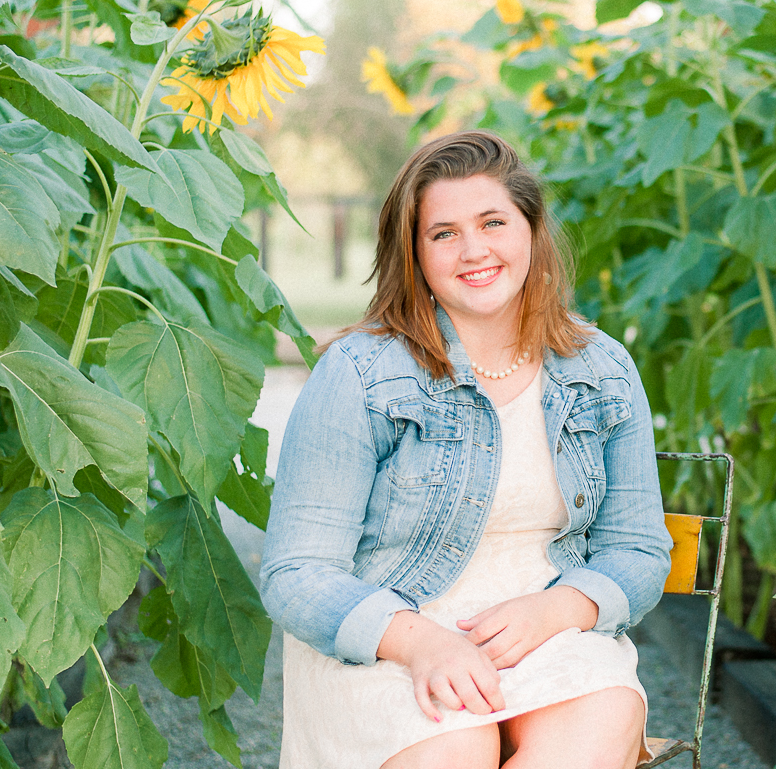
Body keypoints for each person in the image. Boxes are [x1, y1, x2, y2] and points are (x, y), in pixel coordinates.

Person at [260, 130, 673, 769]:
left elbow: (638, 548)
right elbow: (296, 574)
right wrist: (424, 644)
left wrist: (557, 608)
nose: (474, 250)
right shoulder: (360, 374)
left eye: (492, 222)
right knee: (455, 744)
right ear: (414, 254)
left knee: (603, 716)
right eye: (444, 233)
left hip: (547, 632)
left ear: (531, 231)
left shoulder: (602, 368)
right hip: (391, 636)